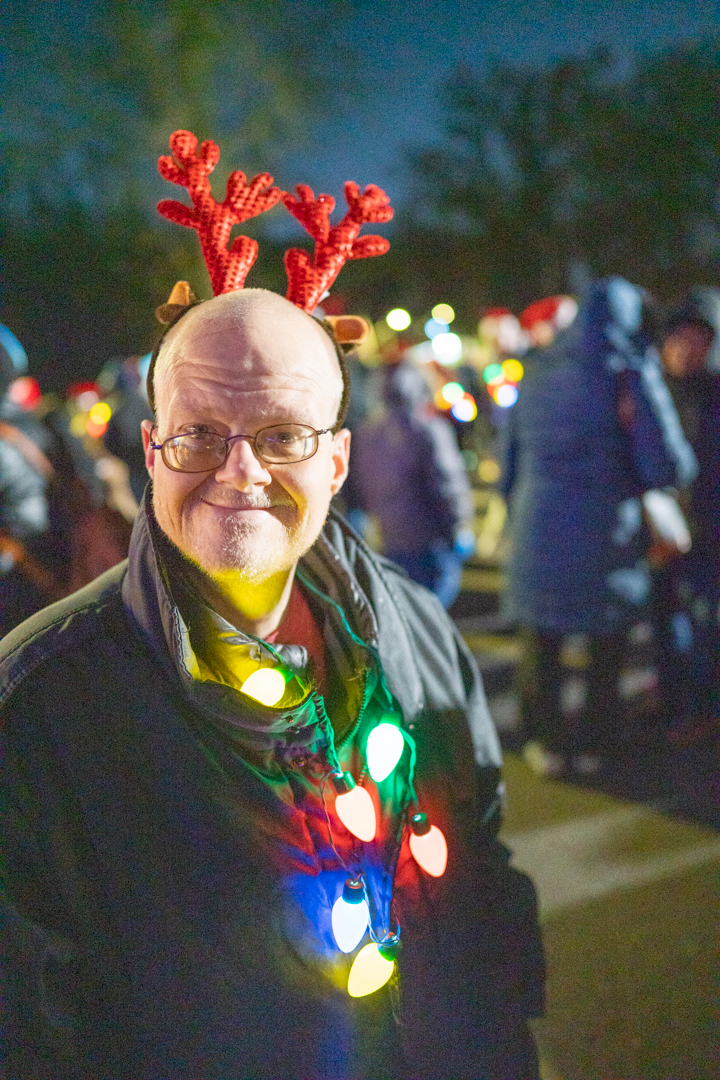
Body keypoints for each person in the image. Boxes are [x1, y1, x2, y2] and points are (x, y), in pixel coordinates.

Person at [1, 130, 544, 1080]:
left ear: (336, 459)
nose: (240, 473)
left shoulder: (414, 627)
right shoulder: (38, 714)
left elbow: (484, 866)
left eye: (283, 434)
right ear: (150, 444)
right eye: (200, 434)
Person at [500, 278, 697, 776]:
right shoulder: (629, 371)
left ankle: (544, 743)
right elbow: (668, 466)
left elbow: (507, 463)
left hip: (536, 530)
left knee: (541, 646)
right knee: (604, 650)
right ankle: (595, 744)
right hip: (603, 537)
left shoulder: (537, 369)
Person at [347, 361, 475, 608]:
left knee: (402, 607)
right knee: (430, 610)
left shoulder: (366, 434)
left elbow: (357, 489)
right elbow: (448, 484)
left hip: (387, 538)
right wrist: (459, 526)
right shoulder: (429, 430)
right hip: (430, 540)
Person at [652, 287, 719, 739]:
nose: (687, 348)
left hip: (709, 531)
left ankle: (702, 707)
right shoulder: (652, 390)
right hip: (661, 531)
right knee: (663, 618)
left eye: (699, 339)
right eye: (680, 337)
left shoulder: (714, 394)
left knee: (704, 623)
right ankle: (672, 699)